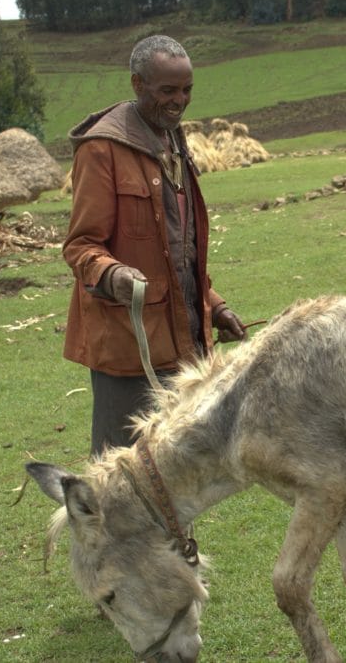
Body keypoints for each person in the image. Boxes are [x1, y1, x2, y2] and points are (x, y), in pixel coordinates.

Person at [63, 35, 246, 457]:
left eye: (186, 90)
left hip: (182, 341)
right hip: (129, 344)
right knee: (124, 470)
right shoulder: (102, 150)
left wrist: (214, 308)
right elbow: (81, 245)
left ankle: (176, 530)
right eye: (168, 90)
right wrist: (112, 273)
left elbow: (180, 253)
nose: (179, 101)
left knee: (174, 467)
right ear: (137, 84)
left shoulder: (174, 142)